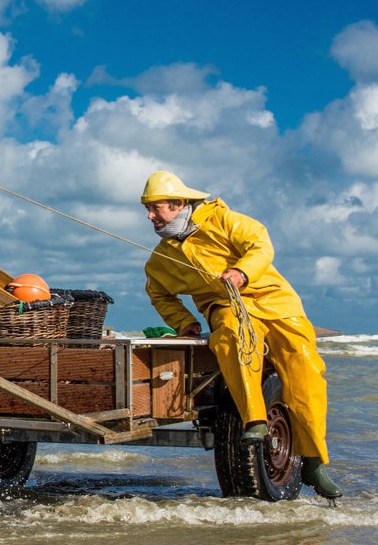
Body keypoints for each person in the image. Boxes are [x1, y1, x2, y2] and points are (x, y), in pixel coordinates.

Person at [140, 170, 341, 499]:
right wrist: (183, 322)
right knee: (232, 337)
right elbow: (159, 294)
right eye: (147, 210)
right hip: (225, 307)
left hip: (275, 301)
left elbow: (259, 245)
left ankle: (315, 461)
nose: (150, 217)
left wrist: (241, 271)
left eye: (156, 208)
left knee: (306, 371)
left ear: (178, 204)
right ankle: (254, 421)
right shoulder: (160, 261)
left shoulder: (225, 220)